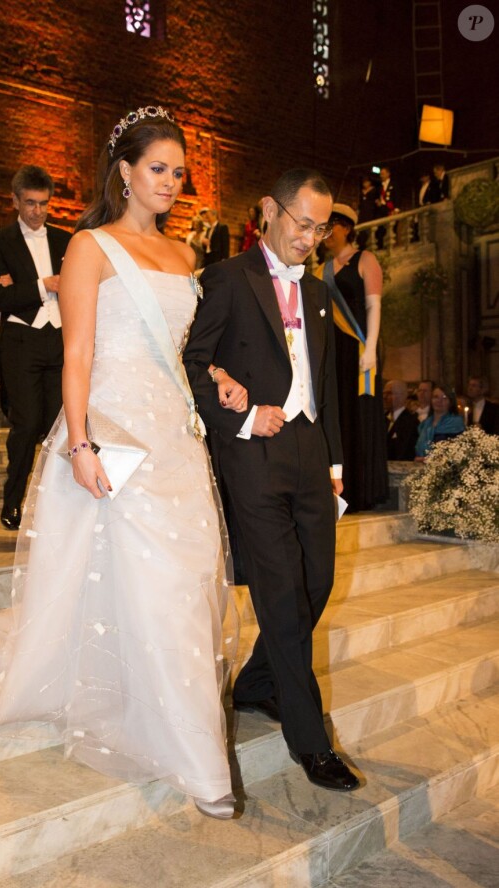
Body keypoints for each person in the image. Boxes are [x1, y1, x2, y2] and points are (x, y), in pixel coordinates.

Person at [0, 107, 239, 821]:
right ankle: (198, 758)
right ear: (124, 171)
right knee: (156, 576)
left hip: (176, 435)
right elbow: (79, 354)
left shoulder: (186, 258)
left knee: (184, 581)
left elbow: (185, 352)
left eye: (179, 172)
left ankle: (167, 713)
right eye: (158, 168)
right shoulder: (90, 247)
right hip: (113, 427)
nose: (170, 182)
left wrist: (217, 376)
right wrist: (81, 442)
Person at [184, 168, 361, 793]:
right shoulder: (228, 279)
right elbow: (191, 362)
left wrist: (335, 463)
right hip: (254, 453)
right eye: (302, 223)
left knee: (318, 580)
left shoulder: (316, 291)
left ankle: (260, 682)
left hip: (310, 452)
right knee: (282, 595)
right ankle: (310, 743)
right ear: (269, 211)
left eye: (321, 228)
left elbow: (327, 382)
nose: (310, 238)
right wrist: (240, 413)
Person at [0, 165, 72, 531]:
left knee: (59, 426)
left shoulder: (67, 240)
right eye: (31, 203)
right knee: (26, 425)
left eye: (44, 204)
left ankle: (56, 505)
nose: (38, 211)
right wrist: (42, 284)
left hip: (60, 340)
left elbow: (78, 288)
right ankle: (13, 501)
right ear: (15, 200)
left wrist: (19, 287)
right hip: (21, 345)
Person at [321, 203, 389, 511]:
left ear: (347, 227)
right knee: (339, 416)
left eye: (330, 226)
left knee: (360, 415)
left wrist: (371, 347)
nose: (325, 233)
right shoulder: (323, 269)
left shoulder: (366, 259)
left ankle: (364, 490)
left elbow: (374, 306)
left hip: (360, 348)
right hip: (335, 353)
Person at [415, 384, 464, 460]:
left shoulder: (456, 423)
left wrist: (428, 459)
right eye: (436, 397)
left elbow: (455, 452)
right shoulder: (425, 423)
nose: (439, 401)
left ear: (451, 402)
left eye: (444, 398)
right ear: (431, 400)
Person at [384, 379, 419, 461]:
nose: (384, 397)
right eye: (384, 393)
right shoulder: (381, 420)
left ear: (403, 396)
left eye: (389, 393)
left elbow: (406, 452)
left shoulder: (412, 422)